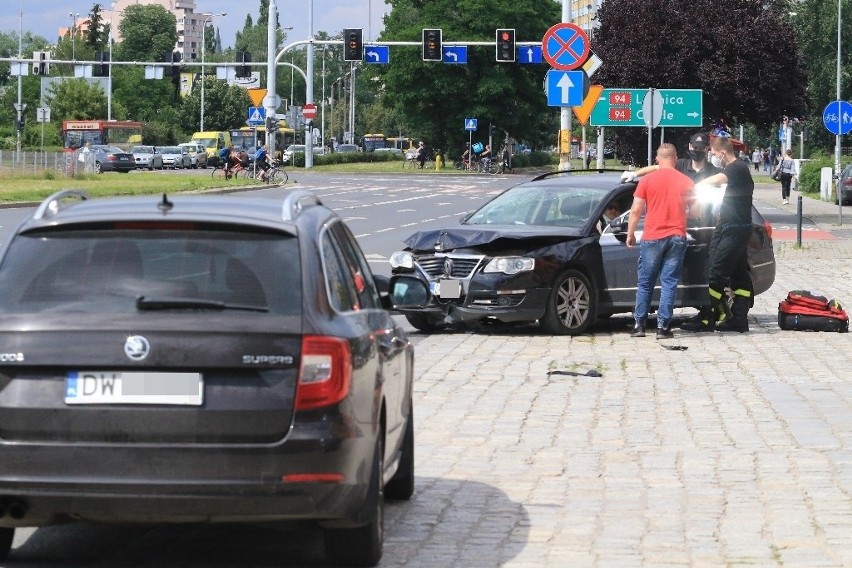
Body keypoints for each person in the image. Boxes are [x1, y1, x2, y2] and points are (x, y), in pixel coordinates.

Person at [681, 136, 754, 333]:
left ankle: (707, 317)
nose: (714, 157)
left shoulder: (737, 168)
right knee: (739, 276)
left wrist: (694, 186)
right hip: (732, 227)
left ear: (722, 152)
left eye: (714, 153)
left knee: (715, 273)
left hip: (734, 230)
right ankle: (739, 319)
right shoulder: (735, 169)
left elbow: (717, 179)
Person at [625, 143, 696, 339]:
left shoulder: (648, 180)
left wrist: (630, 234)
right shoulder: (686, 181)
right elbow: (697, 211)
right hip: (676, 236)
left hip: (652, 236)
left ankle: (639, 325)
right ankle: (663, 328)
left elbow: (636, 210)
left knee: (646, 282)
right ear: (675, 158)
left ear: (657, 159)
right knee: (669, 282)